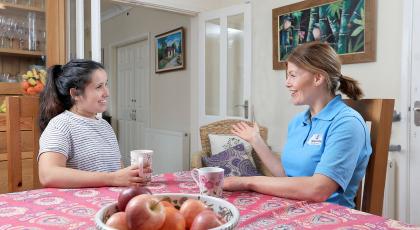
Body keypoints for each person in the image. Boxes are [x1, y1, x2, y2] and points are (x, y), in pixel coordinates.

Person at [224, 42, 372, 209]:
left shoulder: (347, 123)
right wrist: (255, 140)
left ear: (317, 78)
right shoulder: (298, 122)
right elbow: (286, 176)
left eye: (293, 75)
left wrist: (248, 182)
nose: (287, 83)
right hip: (292, 208)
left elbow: (319, 189)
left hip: (329, 217)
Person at [38, 59, 150, 188]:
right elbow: (48, 175)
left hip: (110, 203)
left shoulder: (105, 126)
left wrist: (132, 176)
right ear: (75, 93)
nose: (107, 93)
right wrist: (112, 179)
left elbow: (117, 171)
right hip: (81, 205)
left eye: (105, 84)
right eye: (98, 87)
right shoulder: (60, 125)